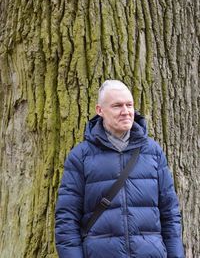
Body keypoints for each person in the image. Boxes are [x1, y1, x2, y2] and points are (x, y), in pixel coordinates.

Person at [55, 80, 184, 258]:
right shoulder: (81, 157)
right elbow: (66, 220)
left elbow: (170, 213)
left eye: (129, 105)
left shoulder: (153, 152)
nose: (126, 112)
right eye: (117, 106)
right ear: (100, 110)